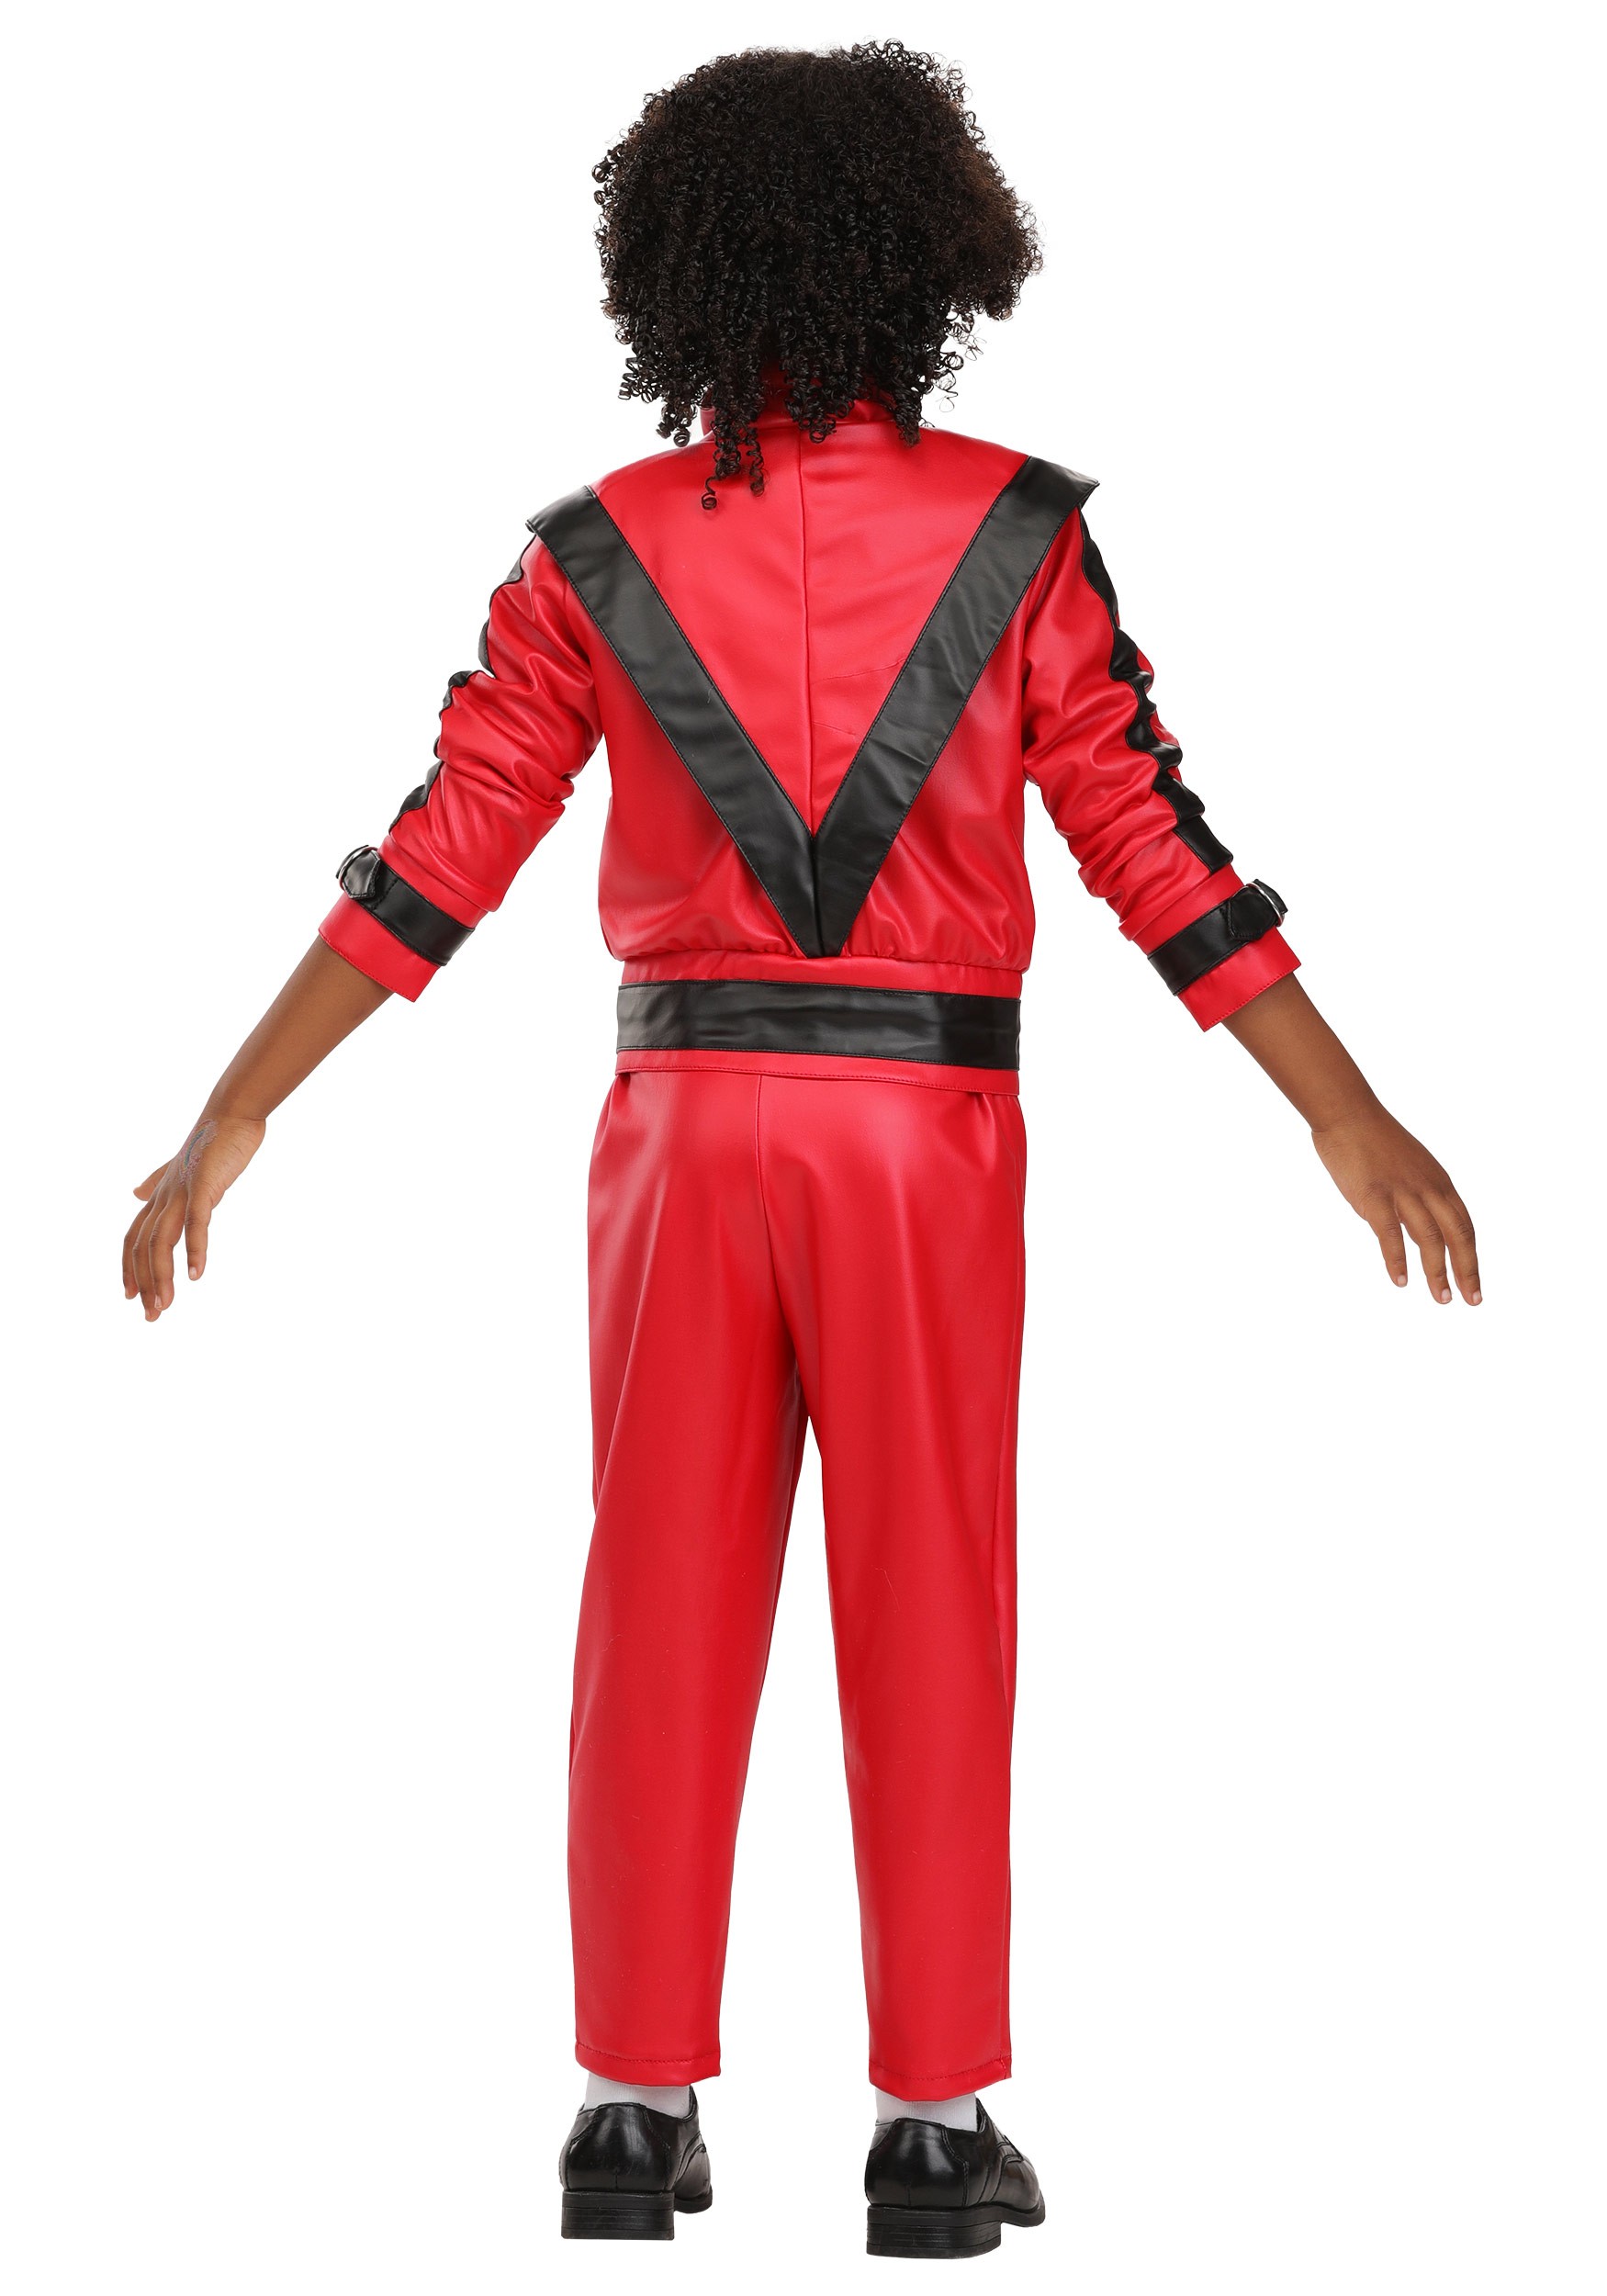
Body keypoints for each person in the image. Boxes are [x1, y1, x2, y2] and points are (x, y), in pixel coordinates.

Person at [121, 42, 1480, 2261]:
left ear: (671, 263)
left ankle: (625, 2105)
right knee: (929, 1590)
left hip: (678, 1132)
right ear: (928, 257)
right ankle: (929, 2126)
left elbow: (439, 852)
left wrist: (234, 1104)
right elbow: (1150, 843)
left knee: (653, 1592)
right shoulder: (1019, 535)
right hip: (922, 1135)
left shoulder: (594, 548)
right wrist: (1338, 1102)